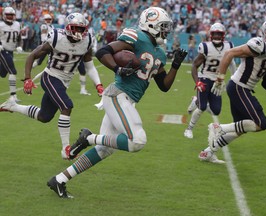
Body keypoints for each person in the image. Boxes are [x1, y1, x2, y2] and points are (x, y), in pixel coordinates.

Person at [46, 6, 187, 198]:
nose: (166, 31)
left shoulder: (160, 53)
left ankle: (60, 180)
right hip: (118, 95)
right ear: (151, 24)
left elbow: (164, 85)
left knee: (104, 150)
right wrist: (117, 69)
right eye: (163, 27)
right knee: (137, 140)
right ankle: (88, 138)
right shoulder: (136, 36)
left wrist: (176, 66)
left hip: (127, 100)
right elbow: (103, 51)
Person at [0, 12, 103, 160]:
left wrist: (98, 85)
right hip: (51, 76)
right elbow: (32, 56)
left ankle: (12, 106)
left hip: (65, 81)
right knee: (67, 106)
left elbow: (90, 66)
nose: (78, 32)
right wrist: (28, 78)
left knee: (44, 116)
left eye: (81, 29)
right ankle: (66, 149)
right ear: (68, 27)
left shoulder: (86, 41)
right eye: (75, 28)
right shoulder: (56, 37)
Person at [198, 18, 266, 163]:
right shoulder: (259, 45)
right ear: (265, 33)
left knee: (240, 129)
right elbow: (229, 53)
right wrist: (220, 79)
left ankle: (208, 152)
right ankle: (218, 128)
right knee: (261, 123)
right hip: (239, 87)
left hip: (243, 89)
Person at [184, 23, 236, 144]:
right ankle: (189, 129)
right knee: (202, 107)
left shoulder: (229, 46)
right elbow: (194, 65)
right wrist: (197, 82)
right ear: (211, 35)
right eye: (215, 34)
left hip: (218, 81)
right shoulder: (205, 47)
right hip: (205, 79)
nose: (217, 36)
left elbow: (231, 63)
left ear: (223, 35)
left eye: (219, 34)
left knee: (216, 110)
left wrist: (233, 78)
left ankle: (195, 101)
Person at [0, 7, 23, 102]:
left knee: (3, 74)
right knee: (13, 71)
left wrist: (20, 46)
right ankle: (13, 96)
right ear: (4, 15)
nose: (10, 17)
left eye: (11, 15)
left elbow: (19, 38)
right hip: (2, 50)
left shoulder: (17, 24)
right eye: (8, 15)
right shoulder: (1, 25)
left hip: (11, 51)